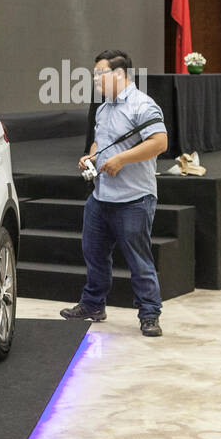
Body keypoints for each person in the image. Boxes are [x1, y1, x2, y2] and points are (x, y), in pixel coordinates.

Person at [60, 50, 169, 337]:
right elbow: (101, 142)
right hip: (100, 196)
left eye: (100, 74)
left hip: (134, 199)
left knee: (139, 260)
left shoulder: (142, 105)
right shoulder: (103, 108)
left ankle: (149, 314)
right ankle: (93, 304)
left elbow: (159, 142)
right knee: (94, 254)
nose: (95, 79)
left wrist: (122, 160)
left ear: (120, 75)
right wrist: (91, 157)